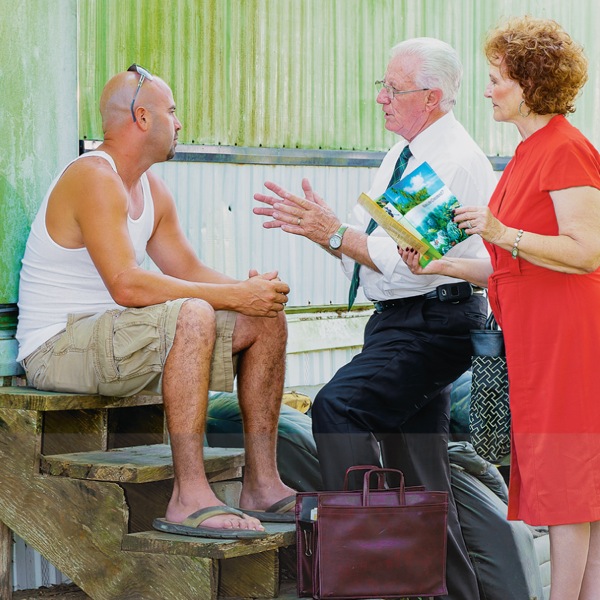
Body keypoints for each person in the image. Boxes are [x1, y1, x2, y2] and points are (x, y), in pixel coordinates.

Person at [254, 38, 497, 599]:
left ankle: (371, 569)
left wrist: (335, 234)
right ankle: (446, 590)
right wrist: (330, 233)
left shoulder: (451, 159)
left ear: (431, 97)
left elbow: (405, 259)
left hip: (432, 322)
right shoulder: (401, 153)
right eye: (382, 86)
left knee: (339, 407)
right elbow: (378, 253)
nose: (381, 98)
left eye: (393, 89)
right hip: (402, 320)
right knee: (421, 472)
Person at [15, 65, 297, 539]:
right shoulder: (93, 177)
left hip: (119, 339)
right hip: (58, 346)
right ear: (142, 118)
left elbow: (188, 271)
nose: (179, 123)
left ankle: (262, 485)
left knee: (264, 319)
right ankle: (189, 497)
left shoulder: (152, 189)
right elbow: (127, 285)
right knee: (193, 312)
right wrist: (232, 295)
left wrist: (253, 293)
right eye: (172, 111)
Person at [400, 17, 600, 600]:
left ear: (530, 83)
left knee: (568, 487)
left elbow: (587, 251)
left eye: (496, 78)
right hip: (537, 341)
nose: (487, 90)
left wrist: (499, 231)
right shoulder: (526, 154)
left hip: (567, 341)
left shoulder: (565, 150)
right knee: (574, 486)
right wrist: (439, 265)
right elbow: (513, 265)